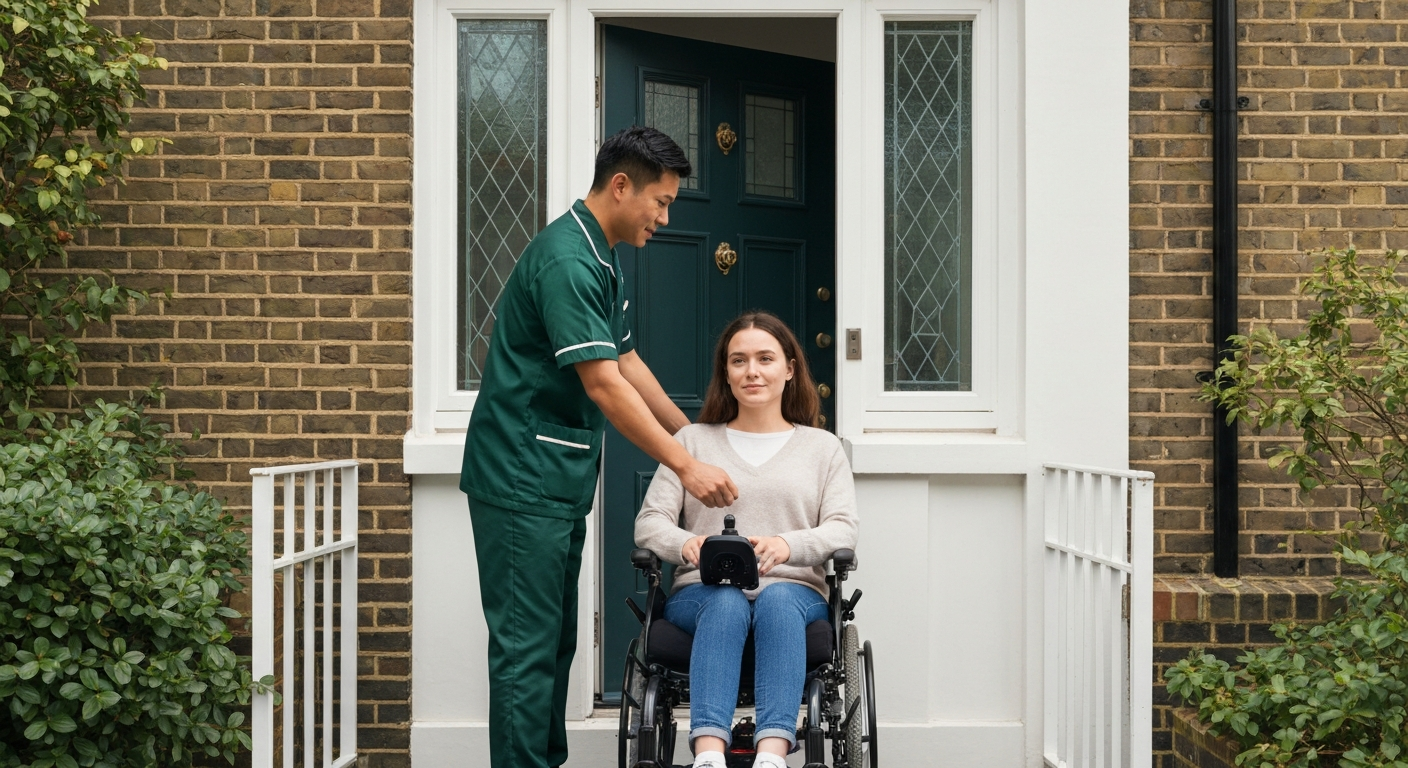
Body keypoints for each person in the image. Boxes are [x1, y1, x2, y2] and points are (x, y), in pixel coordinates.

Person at [460, 126, 739, 768]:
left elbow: (628, 358)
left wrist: (692, 432)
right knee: (525, 649)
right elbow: (605, 385)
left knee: (554, 645)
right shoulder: (567, 260)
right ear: (621, 186)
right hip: (520, 478)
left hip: (555, 481)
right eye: (661, 202)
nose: (665, 218)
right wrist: (685, 465)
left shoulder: (603, 255)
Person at [634, 311, 859, 768]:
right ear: (726, 373)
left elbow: (842, 527)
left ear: (790, 368)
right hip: (701, 593)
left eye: (765, 358)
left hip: (795, 592)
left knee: (775, 601)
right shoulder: (692, 441)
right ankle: (709, 755)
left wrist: (787, 545)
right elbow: (649, 522)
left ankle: (772, 754)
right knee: (726, 600)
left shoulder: (822, 448)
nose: (751, 371)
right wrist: (686, 545)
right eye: (738, 361)